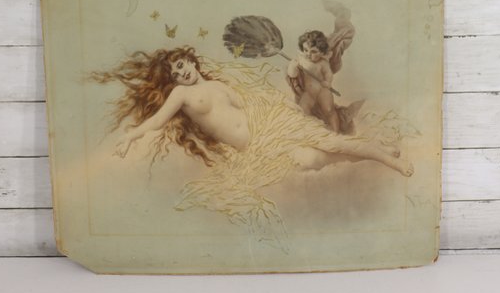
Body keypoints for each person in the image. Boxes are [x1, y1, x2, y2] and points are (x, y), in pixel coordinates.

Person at [91, 46, 413, 245]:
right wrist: (130, 135)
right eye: (175, 73)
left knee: (330, 143)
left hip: (269, 125)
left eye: (182, 64)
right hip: (257, 145)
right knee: (317, 159)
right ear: (174, 81)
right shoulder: (182, 95)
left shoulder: (218, 84)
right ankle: (376, 151)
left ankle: (389, 159)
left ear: (191, 60)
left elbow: (247, 105)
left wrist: (276, 106)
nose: (182, 72)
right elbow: (158, 120)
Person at [288, 30, 341, 132]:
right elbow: (292, 75)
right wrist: (293, 67)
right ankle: (309, 131)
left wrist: (327, 82)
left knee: (329, 110)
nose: (308, 54)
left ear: (321, 52)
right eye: (305, 50)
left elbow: (328, 74)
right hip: (309, 92)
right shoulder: (301, 60)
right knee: (302, 110)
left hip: (323, 91)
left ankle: (336, 132)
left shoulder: (323, 63)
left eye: (313, 51)